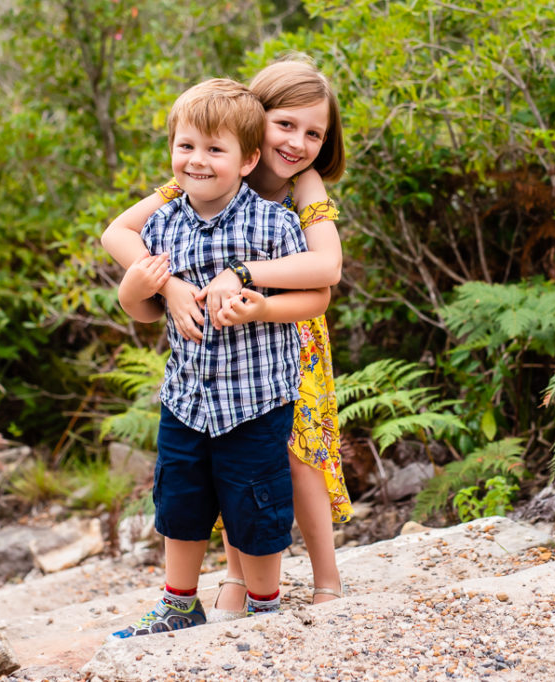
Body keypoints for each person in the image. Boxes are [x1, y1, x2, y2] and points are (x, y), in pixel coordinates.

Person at [100, 57, 352, 620]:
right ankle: (237, 579)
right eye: (284, 124)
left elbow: (326, 267)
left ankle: (326, 581)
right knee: (234, 459)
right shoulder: (200, 166)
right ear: (254, 120)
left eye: (315, 133)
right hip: (216, 332)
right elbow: (119, 233)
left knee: (297, 456)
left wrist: (243, 276)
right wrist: (173, 289)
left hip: (288, 327)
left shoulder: (300, 184)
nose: (299, 142)